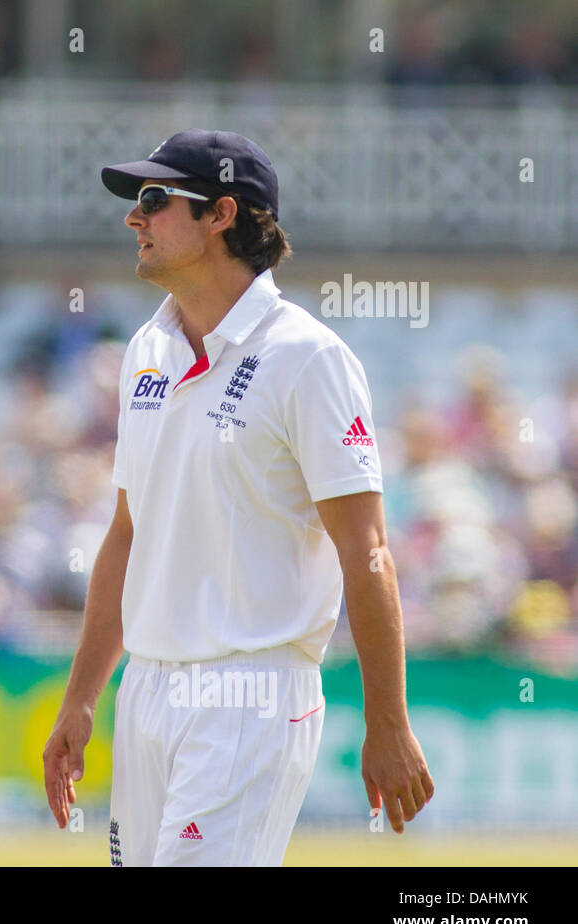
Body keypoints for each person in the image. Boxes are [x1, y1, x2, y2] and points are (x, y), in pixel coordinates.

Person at [41, 129, 435, 866]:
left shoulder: (308, 356)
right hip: (148, 689)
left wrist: (388, 722)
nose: (135, 217)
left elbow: (368, 550)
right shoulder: (144, 352)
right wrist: (83, 696)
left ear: (223, 214)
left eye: (155, 200)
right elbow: (128, 535)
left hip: (252, 691)